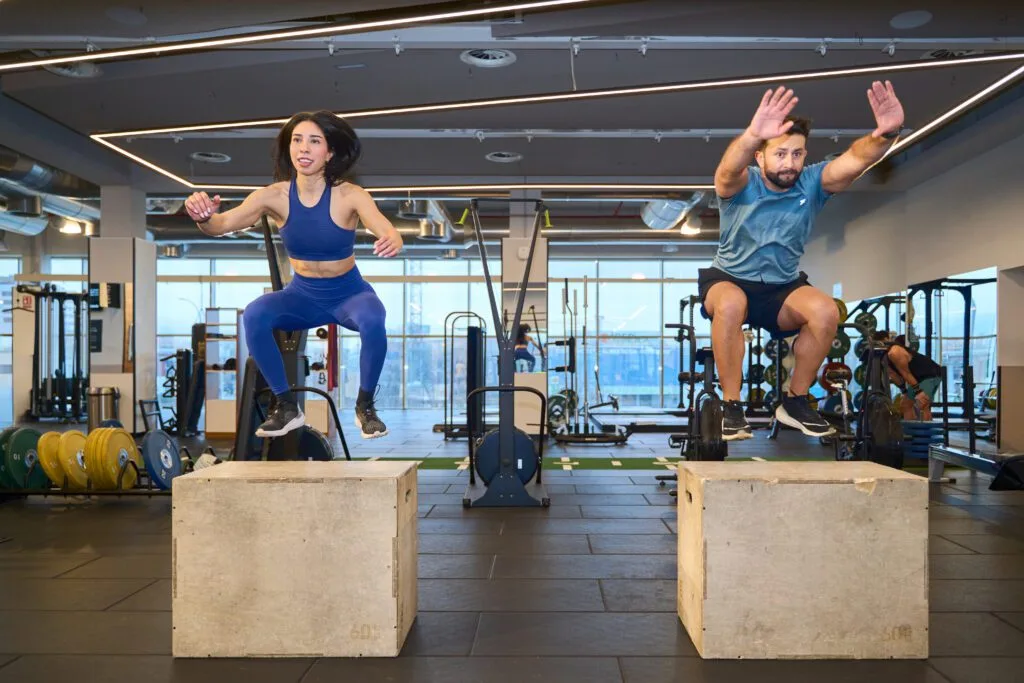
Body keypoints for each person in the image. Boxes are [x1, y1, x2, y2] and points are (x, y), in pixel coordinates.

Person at [702, 81, 905, 441]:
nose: (789, 163)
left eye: (797, 154)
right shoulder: (743, 184)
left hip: (783, 285)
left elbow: (854, 160)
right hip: (730, 278)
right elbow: (725, 172)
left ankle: (795, 400)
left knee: (826, 311)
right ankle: (731, 406)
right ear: (760, 156)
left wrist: (886, 134)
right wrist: (752, 134)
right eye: (780, 153)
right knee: (731, 303)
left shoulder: (812, 182)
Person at [183, 110, 403, 439]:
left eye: (314, 141)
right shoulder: (273, 196)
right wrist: (203, 217)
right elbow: (221, 225)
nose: (303, 148)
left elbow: (383, 227)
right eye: (297, 140)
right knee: (256, 313)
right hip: (302, 296)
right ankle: (286, 406)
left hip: (349, 295)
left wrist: (393, 238)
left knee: (374, 318)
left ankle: (365, 405)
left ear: (329, 152)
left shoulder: (349, 194)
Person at [872, 332, 943, 421]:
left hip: (930, 373)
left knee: (922, 404)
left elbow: (906, 373)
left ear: (886, 340)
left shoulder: (895, 351)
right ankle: (910, 432)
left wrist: (918, 391)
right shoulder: (884, 358)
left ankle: (925, 434)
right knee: (905, 405)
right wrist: (904, 391)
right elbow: (894, 376)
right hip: (917, 378)